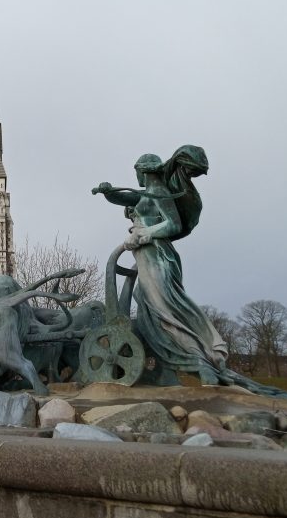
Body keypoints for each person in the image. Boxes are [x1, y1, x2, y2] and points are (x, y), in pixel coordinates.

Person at [94, 145, 229, 385]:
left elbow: (174, 225)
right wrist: (107, 192)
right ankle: (166, 362)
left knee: (167, 310)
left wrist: (146, 233)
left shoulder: (161, 195)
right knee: (145, 302)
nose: (135, 177)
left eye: (136, 171)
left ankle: (202, 360)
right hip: (147, 257)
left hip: (157, 257)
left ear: (143, 171)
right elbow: (125, 196)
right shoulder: (147, 195)